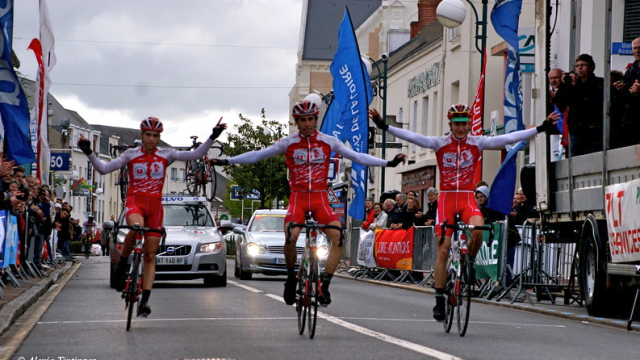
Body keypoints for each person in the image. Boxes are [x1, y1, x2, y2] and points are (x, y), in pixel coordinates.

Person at [208, 99, 406, 306]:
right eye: (302, 120)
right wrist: (225, 161)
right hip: (298, 199)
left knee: (338, 238)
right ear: (297, 121)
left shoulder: (329, 141)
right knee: (291, 236)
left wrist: (388, 163)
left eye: (310, 119)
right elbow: (258, 155)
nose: (306, 124)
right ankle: (291, 280)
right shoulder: (288, 142)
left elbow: (357, 156)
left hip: (320, 199)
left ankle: (325, 285)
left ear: (315, 119)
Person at [369, 103, 557, 321]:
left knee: (478, 229)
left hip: (467, 198)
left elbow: (507, 138)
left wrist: (541, 128)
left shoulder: (478, 142)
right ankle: (439, 298)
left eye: (464, 124)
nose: (461, 128)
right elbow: (413, 137)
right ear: (450, 124)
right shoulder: (439, 143)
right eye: (457, 124)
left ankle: (469, 262)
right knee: (443, 250)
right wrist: (384, 126)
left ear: (469, 124)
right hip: (447, 200)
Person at [78, 116, 227, 317]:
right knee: (136, 227)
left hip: (155, 207)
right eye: (148, 135)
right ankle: (123, 263)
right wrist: (88, 152)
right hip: (135, 202)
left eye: (155, 135)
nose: (151, 139)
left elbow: (196, 154)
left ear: (159, 137)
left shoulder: (166, 154)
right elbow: (103, 169)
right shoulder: (131, 155)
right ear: (142, 135)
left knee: (150, 256)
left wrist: (213, 136)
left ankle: (145, 300)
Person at [556, 54, 604, 156]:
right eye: (577, 66)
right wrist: (564, 85)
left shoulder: (599, 83)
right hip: (576, 129)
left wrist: (576, 86)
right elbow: (561, 104)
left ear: (591, 68)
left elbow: (590, 101)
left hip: (594, 129)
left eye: (583, 65)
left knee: (594, 157)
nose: (579, 68)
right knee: (575, 158)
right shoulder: (569, 85)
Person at [613, 37, 640, 148]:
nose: (637, 51)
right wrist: (619, 88)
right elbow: (626, 91)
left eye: (639, 48)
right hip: (631, 117)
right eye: (635, 48)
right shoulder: (631, 69)